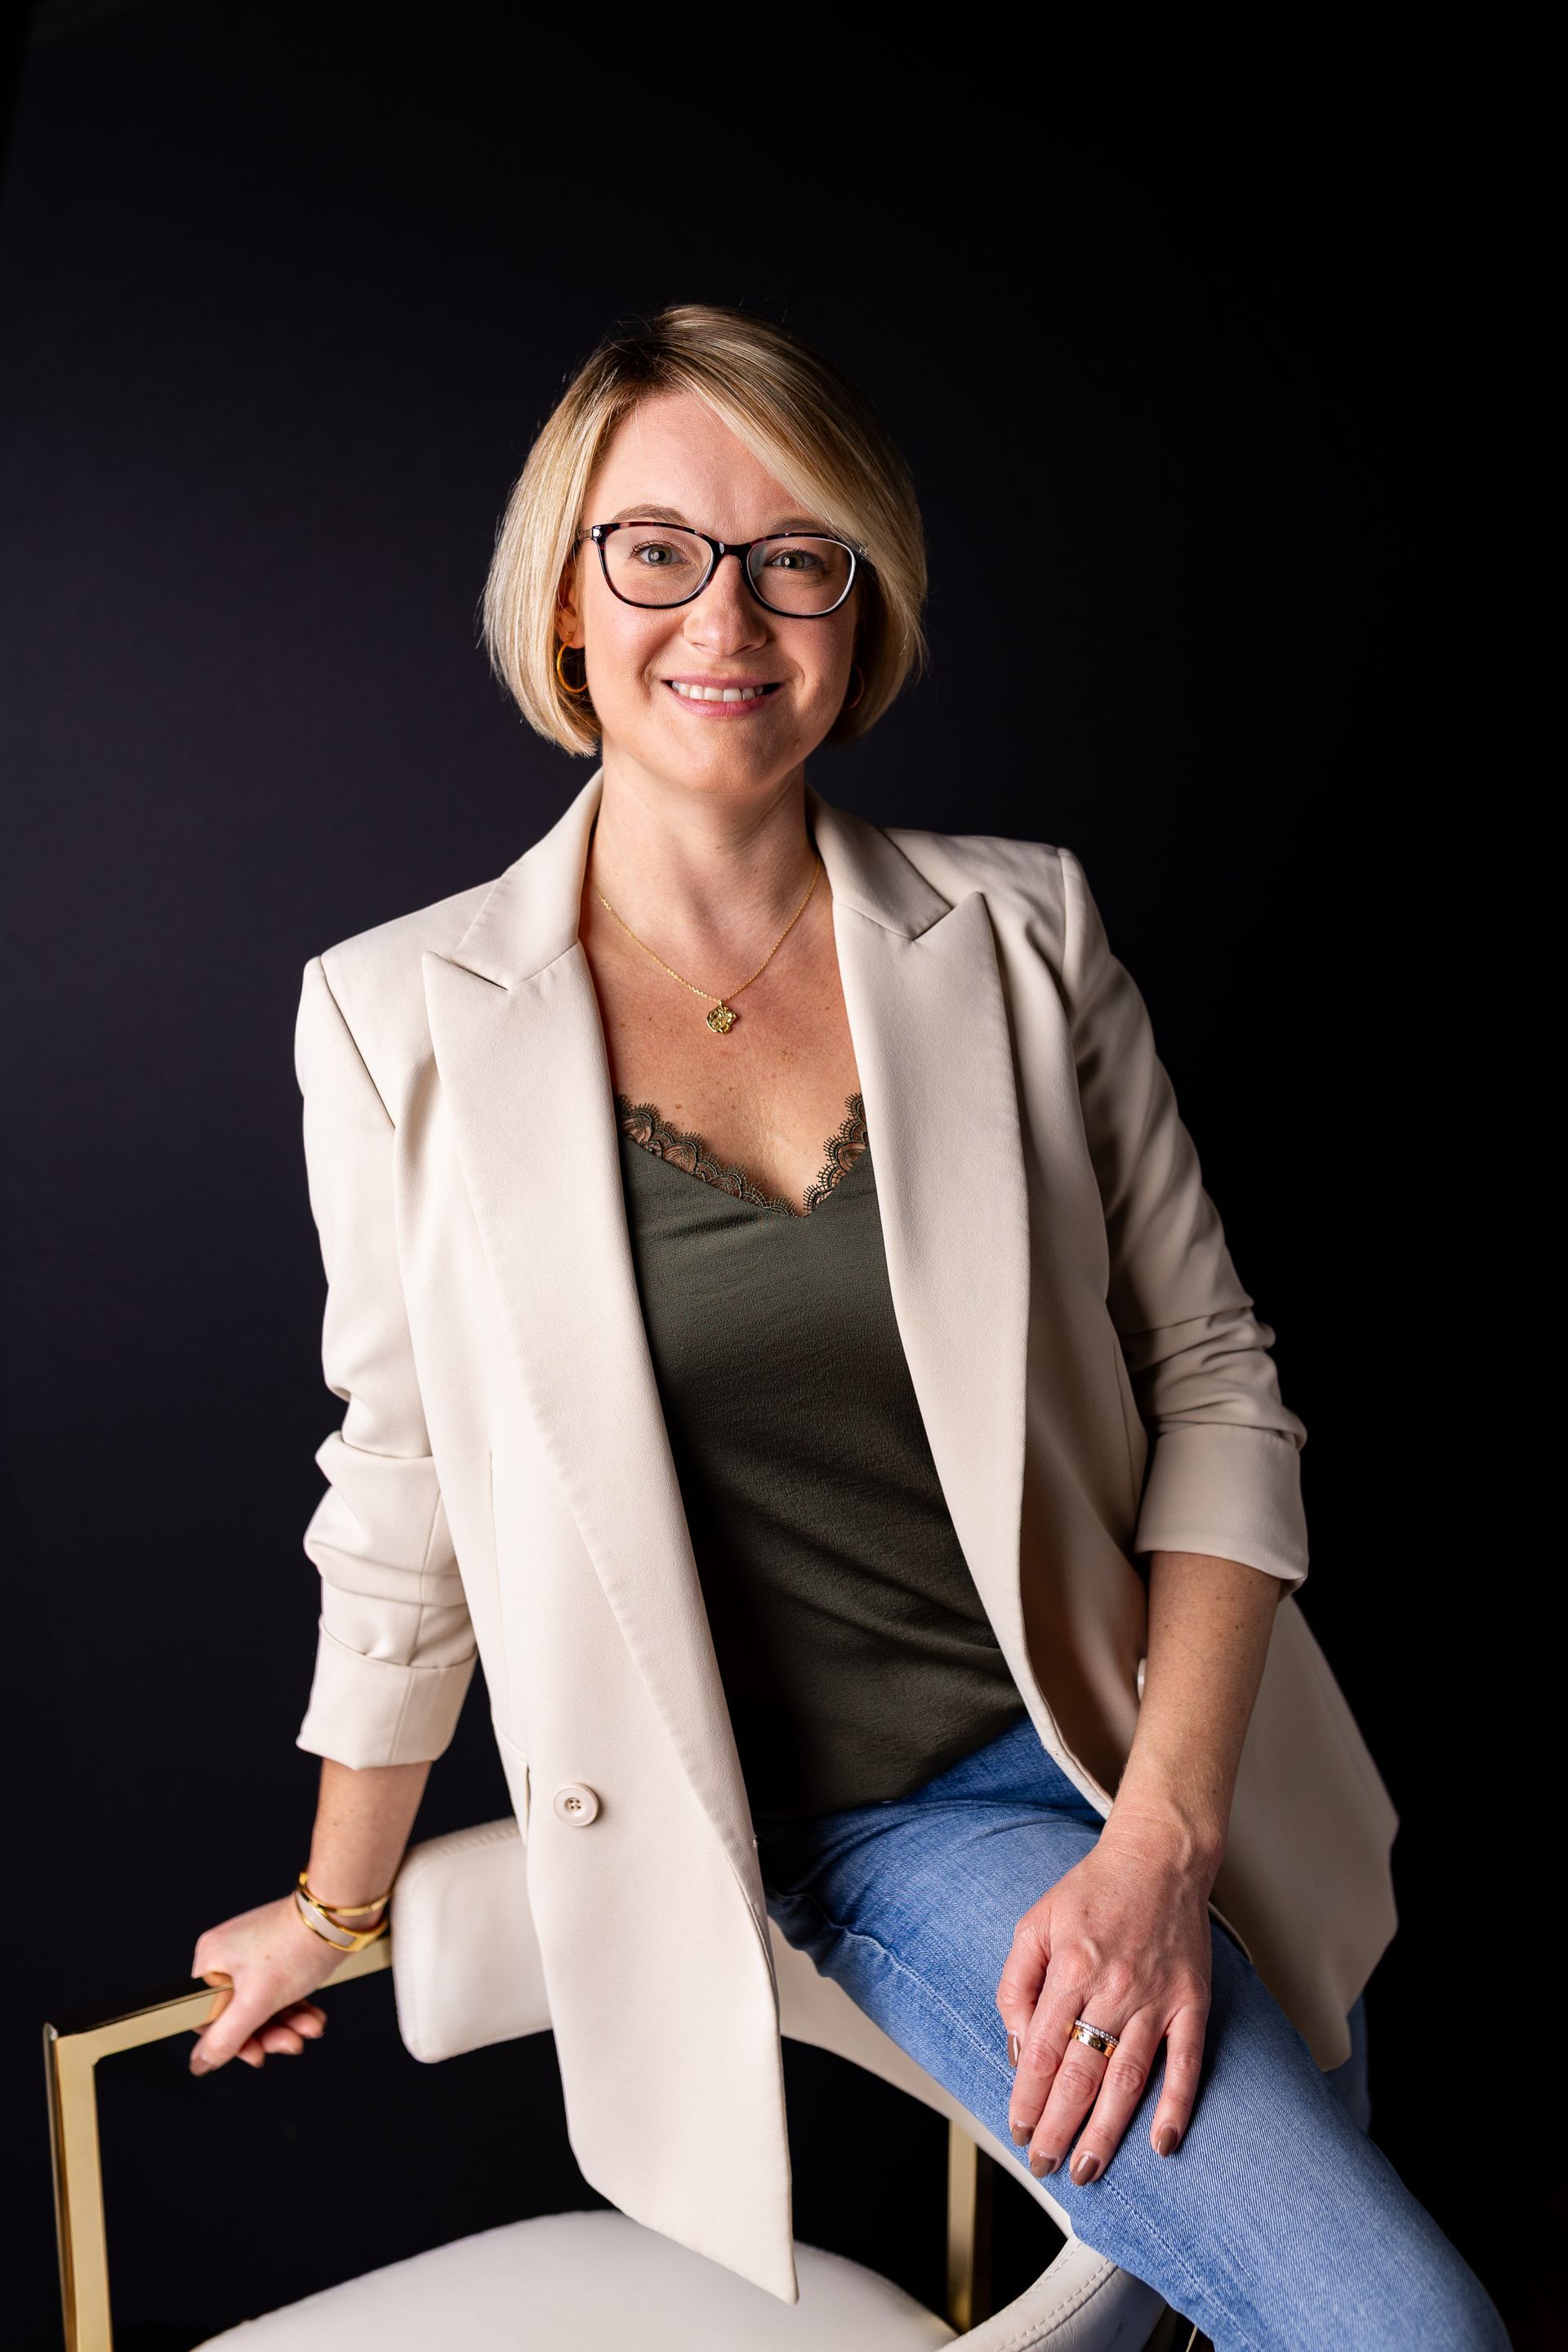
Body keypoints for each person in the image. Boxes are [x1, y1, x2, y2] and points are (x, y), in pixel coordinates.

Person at [189, 305, 1506, 2349]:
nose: (728, 613)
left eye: (798, 555)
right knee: (1399, 2324)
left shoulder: (1023, 930)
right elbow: (405, 1492)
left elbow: (1219, 1382)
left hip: (1191, 1748)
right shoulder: (394, 1018)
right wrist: (335, 1900)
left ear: (859, 606)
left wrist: (1164, 1827)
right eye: (658, 548)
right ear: (562, 602)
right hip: (883, 1824)